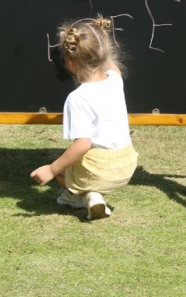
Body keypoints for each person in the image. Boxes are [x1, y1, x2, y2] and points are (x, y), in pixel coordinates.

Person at [30, 17, 138, 220]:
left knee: (63, 167)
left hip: (99, 170)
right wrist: (100, 37)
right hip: (126, 166)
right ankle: (93, 196)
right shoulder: (115, 80)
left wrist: (51, 170)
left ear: (69, 62)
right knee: (76, 164)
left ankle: (80, 195)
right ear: (103, 52)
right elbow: (110, 64)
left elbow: (82, 144)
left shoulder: (78, 98)